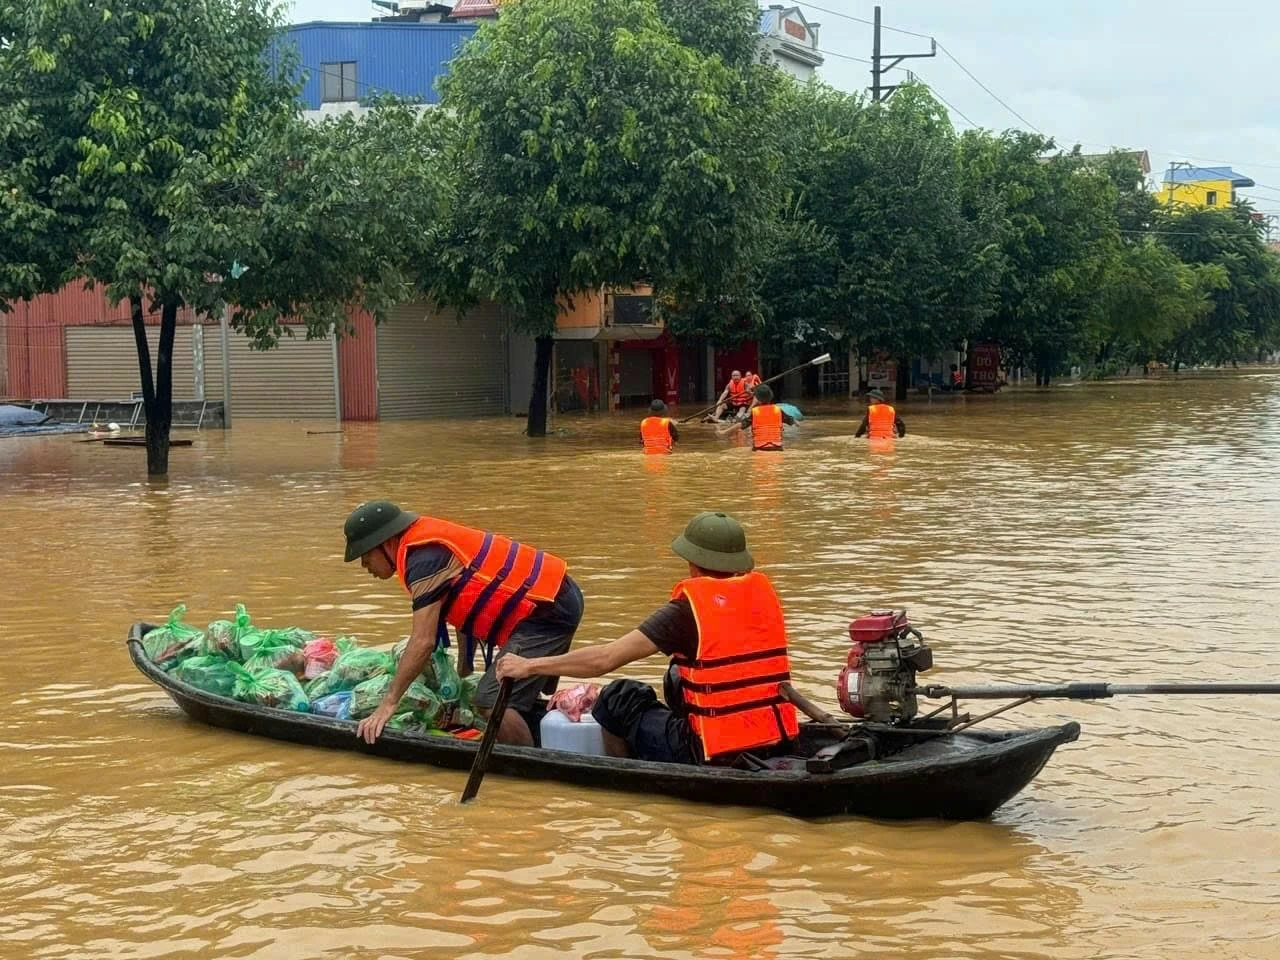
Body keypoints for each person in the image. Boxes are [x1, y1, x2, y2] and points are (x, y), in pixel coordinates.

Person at [496, 512, 799, 766]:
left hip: (709, 752)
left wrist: (529, 666)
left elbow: (605, 659)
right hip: (774, 739)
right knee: (676, 675)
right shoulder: (763, 599)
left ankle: (626, 774)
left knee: (619, 697)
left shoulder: (685, 611)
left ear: (692, 562)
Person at [343, 500, 583, 747]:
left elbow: (422, 641)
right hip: (555, 596)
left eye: (365, 555)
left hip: (547, 611)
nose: (364, 565)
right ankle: (540, 737)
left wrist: (388, 704)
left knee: (490, 700)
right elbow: (465, 606)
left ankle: (530, 766)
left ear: (386, 542)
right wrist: (463, 673)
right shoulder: (424, 547)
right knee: (515, 693)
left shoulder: (423, 559)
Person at [719, 384, 796, 451]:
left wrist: (724, 432)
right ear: (771, 396)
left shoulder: (755, 412)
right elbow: (791, 420)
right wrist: (797, 423)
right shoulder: (778, 410)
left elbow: (740, 425)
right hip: (777, 447)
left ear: (758, 400)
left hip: (759, 448)